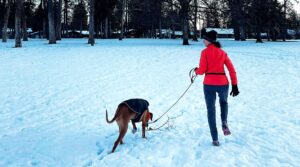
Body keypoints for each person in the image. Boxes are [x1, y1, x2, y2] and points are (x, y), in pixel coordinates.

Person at [194, 30, 239, 146]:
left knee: (211, 109)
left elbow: (202, 70)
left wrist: (196, 71)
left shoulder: (204, 52)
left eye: (204, 39)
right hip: (223, 83)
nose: (203, 41)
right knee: (223, 103)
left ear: (209, 40)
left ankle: (215, 139)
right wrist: (235, 85)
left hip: (209, 84)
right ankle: (224, 121)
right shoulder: (222, 53)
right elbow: (231, 69)